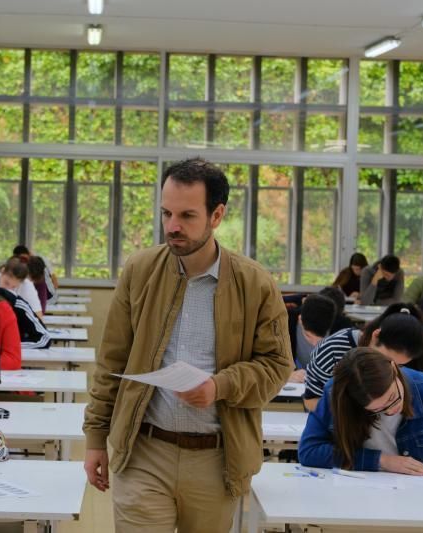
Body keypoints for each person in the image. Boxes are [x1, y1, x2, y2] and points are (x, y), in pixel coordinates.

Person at [83, 158, 293, 533]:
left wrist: (219, 386)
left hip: (217, 459)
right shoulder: (140, 270)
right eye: (166, 213)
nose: (172, 227)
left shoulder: (255, 283)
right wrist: (96, 438)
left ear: (217, 215)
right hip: (144, 449)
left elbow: (277, 366)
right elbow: (111, 360)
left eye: (186, 215)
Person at [299, 348, 423, 480]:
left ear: (394, 369)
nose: (390, 410)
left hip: (420, 498)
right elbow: (309, 451)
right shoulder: (337, 395)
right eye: (377, 410)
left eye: (393, 398)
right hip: (356, 493)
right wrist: (381, 461)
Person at [304, 303, 423, 412]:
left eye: (401, 366)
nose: (392, 369)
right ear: (376, 336)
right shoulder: (333, 350)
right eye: (387, 360)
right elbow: (310, 401)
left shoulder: (417, 363)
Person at [287, 294, 337, 383]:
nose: (315, 344)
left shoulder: (341, 327)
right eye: (308, 336)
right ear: (300, 320)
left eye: (321, 339)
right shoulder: (285, 323)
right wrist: (286, 376)